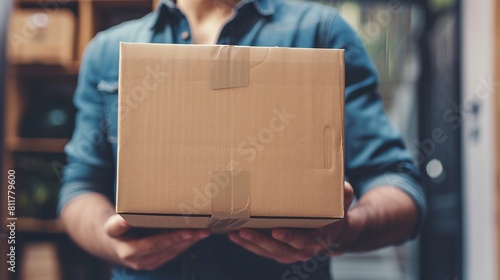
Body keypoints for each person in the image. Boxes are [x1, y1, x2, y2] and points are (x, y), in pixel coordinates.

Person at [58, 0, 426, 279]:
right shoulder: (108, 52)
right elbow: (79, 188)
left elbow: (399, 186)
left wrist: (346, 231)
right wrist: (114, 245)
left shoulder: (321, 33)